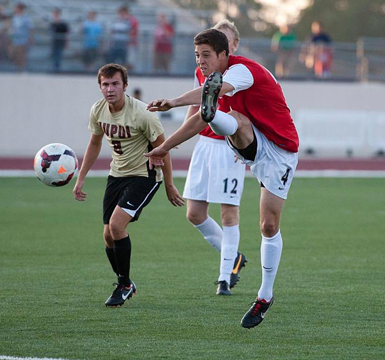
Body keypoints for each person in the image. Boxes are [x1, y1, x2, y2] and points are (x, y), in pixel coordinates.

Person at [146, 29, 299, 328]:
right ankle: (214, 113)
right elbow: (200, 111)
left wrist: (190, 100)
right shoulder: (214, 81)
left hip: (280, 150)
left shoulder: (242, 71)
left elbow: (222, 87)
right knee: (225, 117)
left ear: (224, 55)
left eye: (206, 56)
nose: (200, 62)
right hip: (250, 139)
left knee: (268, 225)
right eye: (197, 56)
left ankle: (264, 296)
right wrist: (164, 143)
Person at [73, 63, 185, 308]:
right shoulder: (98, 110)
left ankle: (123, 284)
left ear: (125, 86)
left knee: (116, 225)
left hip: (144, 176)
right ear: (100, 87)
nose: (110, 89)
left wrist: (169, 185)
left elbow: (163, 149)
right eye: (105, 84)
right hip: (117, 175)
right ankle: (125, 282)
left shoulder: (143, 114)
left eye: (115, 84)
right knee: (107, 236)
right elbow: (94, 144)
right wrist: (81, 177)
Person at [182, 19, 247, 297]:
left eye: (224, 38)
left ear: (231, 46)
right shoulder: (202, 71)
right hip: (205, 145)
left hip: (228, 147)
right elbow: (197, 108)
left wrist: (245, 149)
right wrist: (177, 141)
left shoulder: (242, 73)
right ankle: (233, 256)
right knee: (194, 213)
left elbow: (250, 115)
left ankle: (224, 278)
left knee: (228, 212)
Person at [9, 3, 33, 72]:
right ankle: (17, 67)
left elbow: (30, 28)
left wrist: (31, 38)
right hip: (15, 38)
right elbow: (12, 27)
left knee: (21, 54)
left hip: (23, 39)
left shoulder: (26, 18)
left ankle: (21, 69)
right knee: (13, 53)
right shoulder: (14, 17)